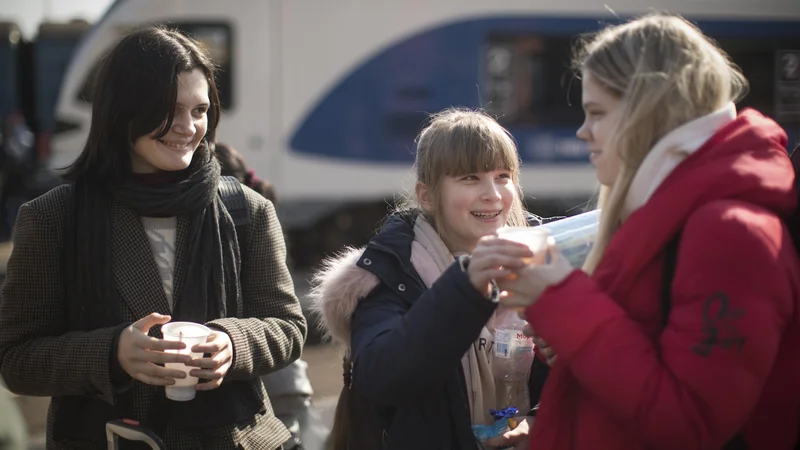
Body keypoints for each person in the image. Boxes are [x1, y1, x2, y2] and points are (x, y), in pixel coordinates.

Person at [494, 13, 800, 449]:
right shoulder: (675, 211)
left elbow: (689, 423)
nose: (583, 132)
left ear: (647, 113)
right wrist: (558, 327)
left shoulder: (733, 234)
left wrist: (557, 295)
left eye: (597, 113)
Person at [0, 26, 306, 449]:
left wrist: (231, 344)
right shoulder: (52, 219)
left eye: (199, 110)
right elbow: (17, 359)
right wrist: (113, 352)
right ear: (122, 110)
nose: (187, 127)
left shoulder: (247, 210)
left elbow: (288, 327)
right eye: (169, 109)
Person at [310, 108, 541, 449]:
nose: (493, 193)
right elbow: (384, 378)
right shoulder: (389, 275)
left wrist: (537, 418)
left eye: (503, 175)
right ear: (427, 196)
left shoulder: (538, 262)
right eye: (470, 178)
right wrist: (466, 287)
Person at [214, 141, 330, 450]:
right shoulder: (259, 221)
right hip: (289, 390)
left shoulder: (244, 227)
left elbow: (286, 325)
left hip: (272, 396)